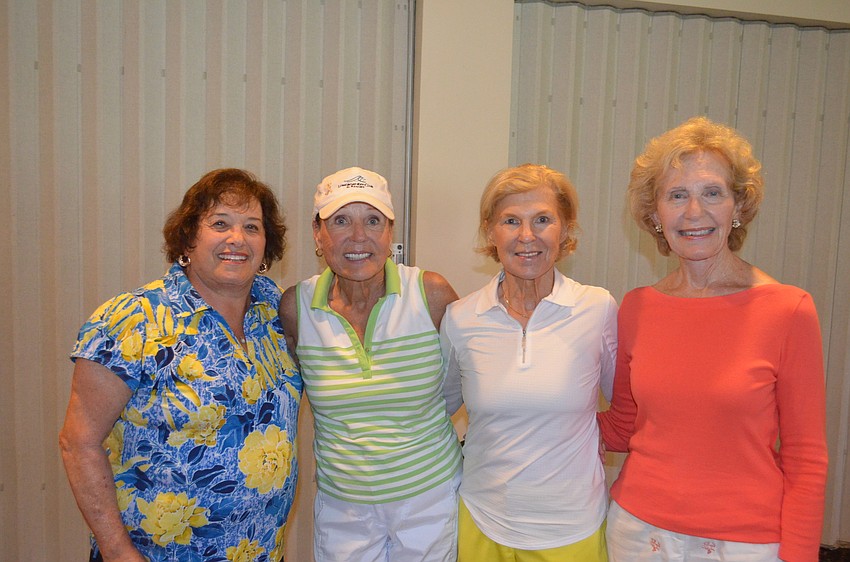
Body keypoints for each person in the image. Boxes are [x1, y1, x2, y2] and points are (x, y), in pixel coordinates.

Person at [598, 117, 828, 562]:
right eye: (676, 195)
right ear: (654, 214)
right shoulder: (638, 307)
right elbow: (624, 427)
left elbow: (806, 456)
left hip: (745, 542)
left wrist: (799, 555)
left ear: (738, 206)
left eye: (712, 193)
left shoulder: (788, 310)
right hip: (636, 532)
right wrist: (527, 409)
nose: (693, 212)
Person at [59, 168, 302, 562]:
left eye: (252, 227)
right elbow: (78, 442)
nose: (237, 239)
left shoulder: (278, 311)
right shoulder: (133, 319)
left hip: (259, 550)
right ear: (189, 236)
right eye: (220, 223)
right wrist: (118, 552)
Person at [279, 166, 462, 562]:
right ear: (317, 233)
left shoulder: (430, 294)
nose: (358, 237)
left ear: (390, 232)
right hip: (344, 510)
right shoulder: (296, 307)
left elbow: (456, 388)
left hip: (429, 499)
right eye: (341, 221)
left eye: (372, 221)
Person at [440, 163, 617, 561]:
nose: (527, 236)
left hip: (574, 529)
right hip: (484, 525)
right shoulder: (462, 318)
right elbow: (438, 410)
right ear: (490, 231)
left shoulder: (597, 309)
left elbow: (627, 406)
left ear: (566, 229)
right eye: (510, 221)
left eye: (542, 219)